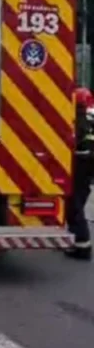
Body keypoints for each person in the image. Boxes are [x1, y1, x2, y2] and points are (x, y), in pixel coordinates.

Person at [67, 87, 94, 260]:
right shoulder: (91, 114)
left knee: (74, 204)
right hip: (89, 164)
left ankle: (82, 245)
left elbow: (75, 138)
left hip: (82, 162)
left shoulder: (79, 116)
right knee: (79, 199)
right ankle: (77, 239)